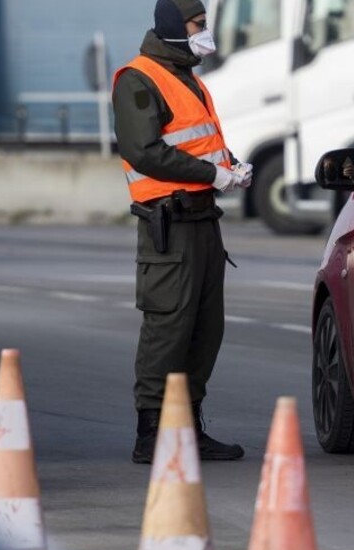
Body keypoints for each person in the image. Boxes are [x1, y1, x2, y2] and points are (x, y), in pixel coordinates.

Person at [114, 0, 253, 464]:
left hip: (202, 220)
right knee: (168, 326)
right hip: (167, 224)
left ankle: (189, 428)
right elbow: (144, 151)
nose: (204, 33)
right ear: (175, 27)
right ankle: (151, 433)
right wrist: (212, 175)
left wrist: (230, 166)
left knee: (205, 328)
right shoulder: (138, 80)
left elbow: (200, 142)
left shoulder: (188, 78)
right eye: (198, 24)